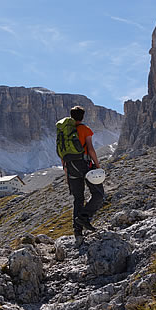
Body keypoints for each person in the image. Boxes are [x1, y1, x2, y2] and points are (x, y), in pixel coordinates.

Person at [60, 105, 104, 246]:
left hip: (70, 167)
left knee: (78, 198)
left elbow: (62, 153)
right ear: (83, 116)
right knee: (98, 194)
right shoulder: (85, 130)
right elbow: (90, 149)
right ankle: (84, 217)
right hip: (84, 165)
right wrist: (97, 165)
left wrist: (66, 171)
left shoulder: (64, 133)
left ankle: (77, 233)